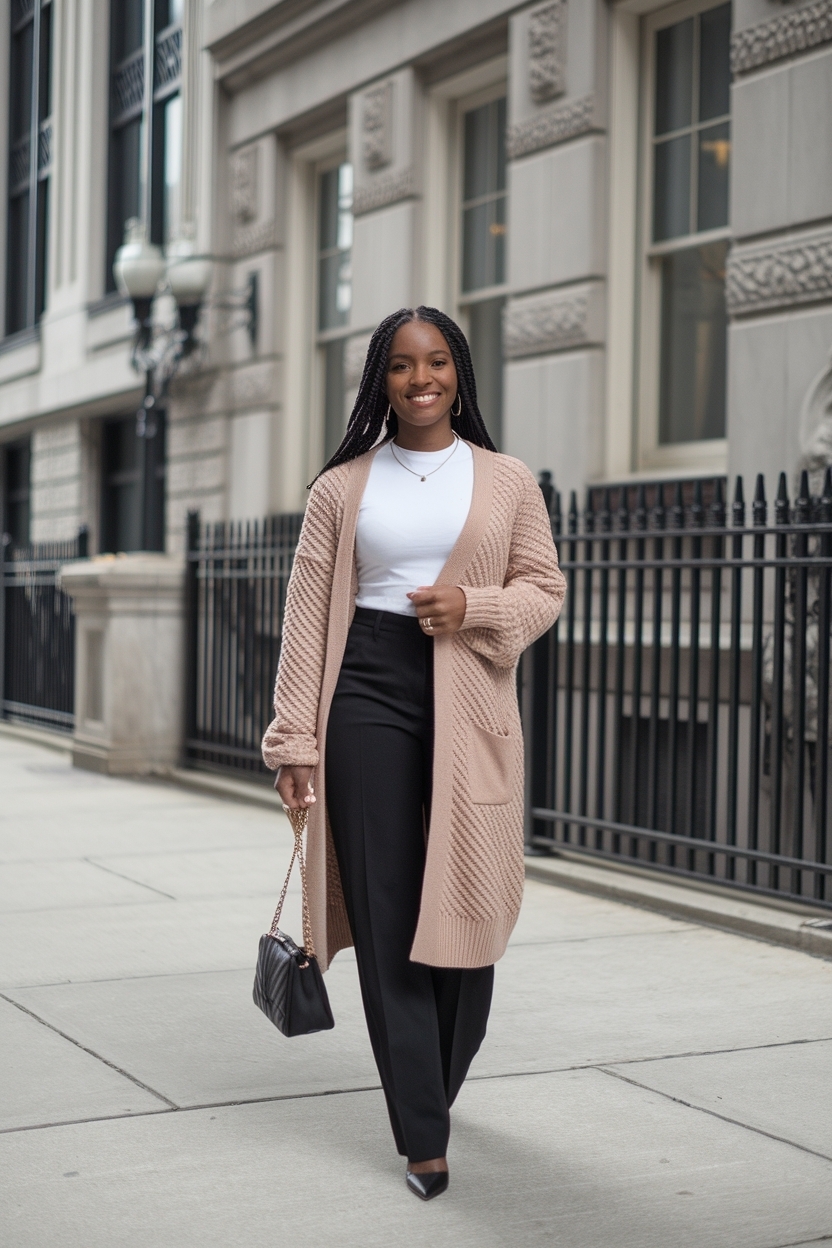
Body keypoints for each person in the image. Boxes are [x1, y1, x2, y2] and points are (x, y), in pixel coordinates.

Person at [262, 306, 565, 1200]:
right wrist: (295, 740)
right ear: (381, 381)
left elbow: (544, 588)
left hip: (469, 690)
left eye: (435, 361)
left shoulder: (506, 479)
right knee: (389, 911)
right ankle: (423, 1136)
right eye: (401, 364)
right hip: (366, 688)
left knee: (469, 912)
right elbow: (306, 617)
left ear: (458, 372)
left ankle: (429, 1079)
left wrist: (474, 607)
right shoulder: (341, 488)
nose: (420, 378)